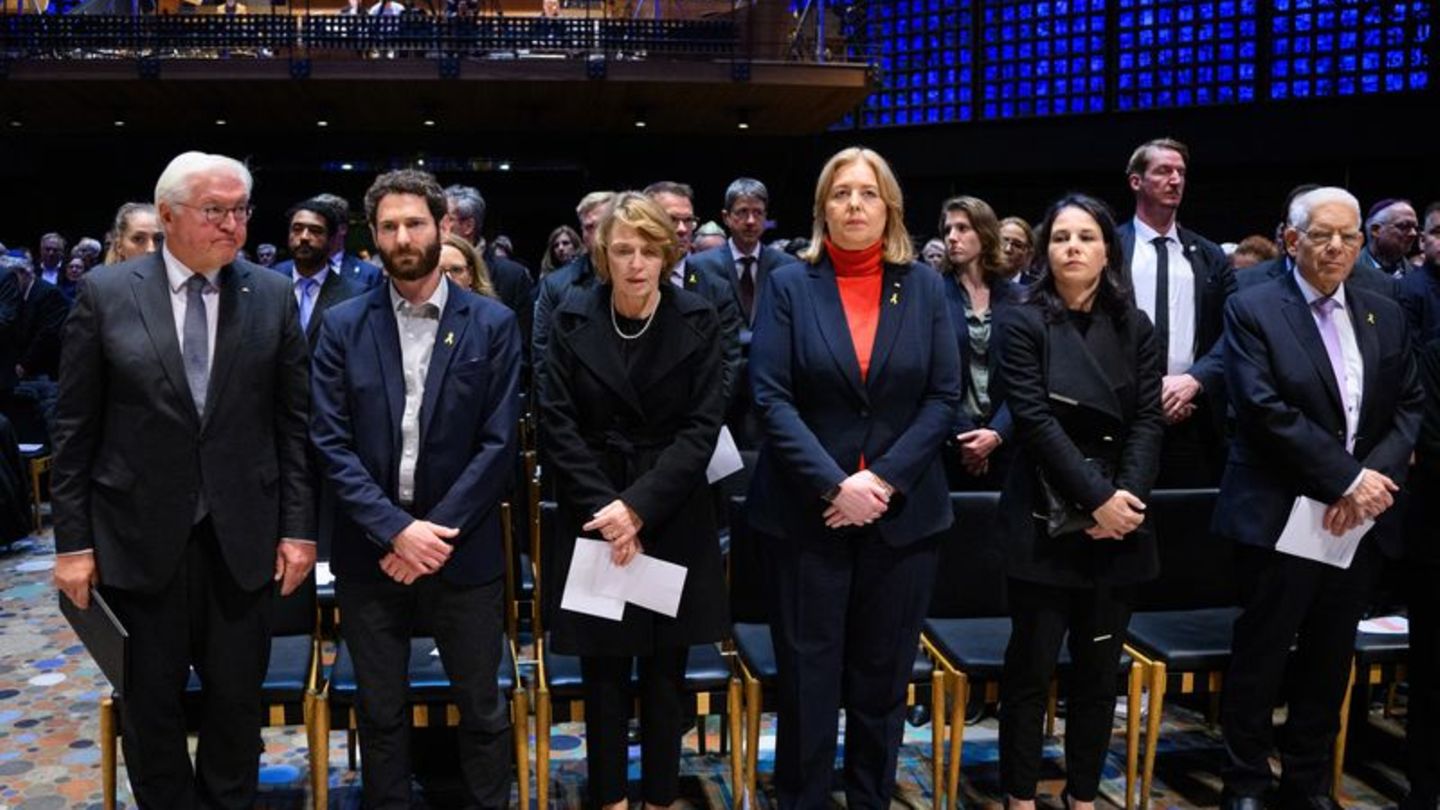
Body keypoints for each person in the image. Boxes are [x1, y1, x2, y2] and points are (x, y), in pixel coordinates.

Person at [50, 151, 316, 809]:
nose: (234, 225)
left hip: (243, 538)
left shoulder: (272, 293)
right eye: (215, 210)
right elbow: (74, 430)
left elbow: (294, 427)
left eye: (241, 210)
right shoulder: (108, 294)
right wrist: (72, 544)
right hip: (135, 540)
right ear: (168, 216)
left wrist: (298, 531)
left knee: (235, 706)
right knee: (150, 708)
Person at [747, 146, 961, 808]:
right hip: (807, 516)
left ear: (889, 206)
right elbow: (770, 397)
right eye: (841, 194)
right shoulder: (787, 284)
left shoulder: (924, 287)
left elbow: (943, 396)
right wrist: (836, 485)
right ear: (822, 209)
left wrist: (883, 483)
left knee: (881, 680)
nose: (854, 205)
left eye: (868, 193)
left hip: (902, 519)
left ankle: (870, 798)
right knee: (809, 682)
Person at [310, 169, 521, 809]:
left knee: (483, 708)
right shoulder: (343, 324)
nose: (404, 236)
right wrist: (396, 531)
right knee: (379, 711)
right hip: (371, 551)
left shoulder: (493, 323)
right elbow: (329, 441)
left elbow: (498, 445)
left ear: (444, 227)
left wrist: (430, 535)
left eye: (416, 223)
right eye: (390, 226)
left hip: (463, 548)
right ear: (373, 239)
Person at [1215, 186, 1422, 810]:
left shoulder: (1382, 309)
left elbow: (1409, 406)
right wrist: (1346, 480)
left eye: (1349, 236)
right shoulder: (1253, 305)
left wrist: (1366, 487)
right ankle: (1246, 782)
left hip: (1357, 523)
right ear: (1291, 238)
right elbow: (1262, 409)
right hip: (1280, 511)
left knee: (1330, 661)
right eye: (1322, 234)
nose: (1337, 247)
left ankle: (1308, 784)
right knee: (1262, 657)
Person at [539, 191, 727, 809]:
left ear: (667, 253)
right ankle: (612, 797)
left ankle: (658, 797)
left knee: (667, 668)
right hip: (594, 508)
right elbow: (556, 424)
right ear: (603, 254)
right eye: (624, 250)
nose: (637, 262)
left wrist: (640, 507)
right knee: (604, 669)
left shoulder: (699, 318)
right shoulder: (569, 316)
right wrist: (612, 511)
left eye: (649, 250)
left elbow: (703, 429)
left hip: (669, 508)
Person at [991, 193, 1164, 810]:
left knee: (1098, 676)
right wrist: (1096, 502)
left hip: (1118, 523)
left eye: (1086, 237)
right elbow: (1035, 422)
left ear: (1106, 250)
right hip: (1046, 519)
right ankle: (1018, 795)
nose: (1073, 247)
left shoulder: (1134, 324)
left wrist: (1126, 504)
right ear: (1045, 250)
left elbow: (1147, 419)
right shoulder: (1021, 319)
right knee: (1030, 672)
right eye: (1061, 237)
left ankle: (1084, 796)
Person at [1115, 137, 1233, 487]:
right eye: (1164, 171)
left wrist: (1194, 380)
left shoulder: (1209, 256)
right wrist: (1149, 394)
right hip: (1125, 413)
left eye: (1181, 172)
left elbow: (1235, 331)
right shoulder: (1111, 250)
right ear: (1136, 181)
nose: (1176, 180)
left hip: (1193, 414)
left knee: (1188, 524)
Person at [939, 195, 1017, 490]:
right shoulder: (931, 294)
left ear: (985, 234)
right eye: (947, 230)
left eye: (962, 228)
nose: (952, 238)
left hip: (1008, 441)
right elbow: (929, 377)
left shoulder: (1018, 297)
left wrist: (996, 434)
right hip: (949, 443)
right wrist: (968, 439)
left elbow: (1028, 376)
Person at [275, 197, 365, 350]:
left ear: (331, 239)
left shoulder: (355, 295)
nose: (304, 237)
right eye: (297, 229)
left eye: (315, 231)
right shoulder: (269, 282)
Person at [1358, 198, 1419, 278]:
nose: (1413, 233)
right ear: (1375, 230)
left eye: (1415, 228)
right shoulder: (1347, 272)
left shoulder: (1418, 275)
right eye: (1404, 226)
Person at [440, 233, 499, 299]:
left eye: (456, 270)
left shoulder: (491, 308)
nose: (448, 278)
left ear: (471, 274)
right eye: (439, 271)